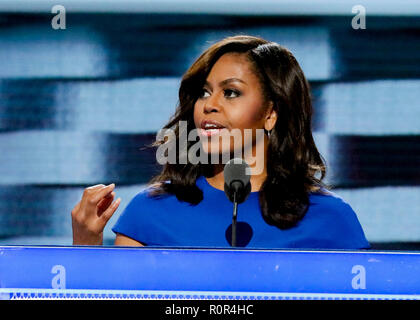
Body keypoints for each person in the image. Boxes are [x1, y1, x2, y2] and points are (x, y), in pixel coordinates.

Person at [71, 35, 370, 249]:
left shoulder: (330, 220)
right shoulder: (151, 212)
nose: (209, 105)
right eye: (203, 92)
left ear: (271, 113)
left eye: (230, 92)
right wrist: (85, 245)